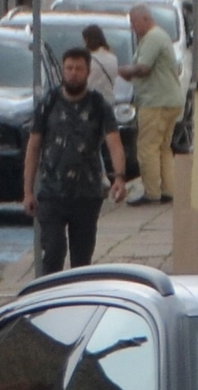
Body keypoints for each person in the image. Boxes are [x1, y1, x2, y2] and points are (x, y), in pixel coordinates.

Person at [21, 48, 127, 276]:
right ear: (63, 70)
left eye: (79, 69)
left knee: (81, 260)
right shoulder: (48, 102)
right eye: (69, 68)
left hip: (86, 194)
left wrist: (119, 176)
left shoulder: (99, 105)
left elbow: (114, 143)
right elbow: (33, 146)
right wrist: (28, 191)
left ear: (88, 72)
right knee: (54, 251)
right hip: (52, 193)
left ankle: (76, 302)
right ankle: (47, 300)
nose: (73, 73)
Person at [118, 5, 185, 206]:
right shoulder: (160, 36)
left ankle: (152, 192)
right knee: (163, 147)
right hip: (170, 100)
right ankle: (168, 190)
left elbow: (144, 67)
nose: (132, 27)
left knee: (147, 147)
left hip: (155, 102)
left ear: (145, 19)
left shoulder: (153, 38)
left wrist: (126, 71)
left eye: (133, 21)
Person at [81, 24, 124, 105]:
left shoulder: (87, 59)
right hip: (108, 101)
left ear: (87, 40)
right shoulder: (113, 58)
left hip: (90, 102)